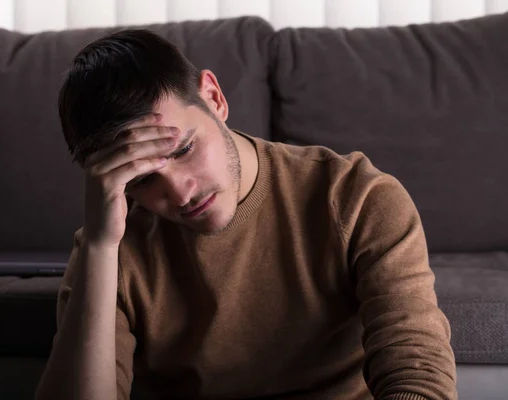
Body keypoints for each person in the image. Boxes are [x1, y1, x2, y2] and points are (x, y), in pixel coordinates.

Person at [35, 29, 457, 400]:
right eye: (141, 181)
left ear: (214, 99)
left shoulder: (357, 197)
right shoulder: (108, 246)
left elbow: (418, 375)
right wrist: (100, 246)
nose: (180, 192)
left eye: (183, 149)